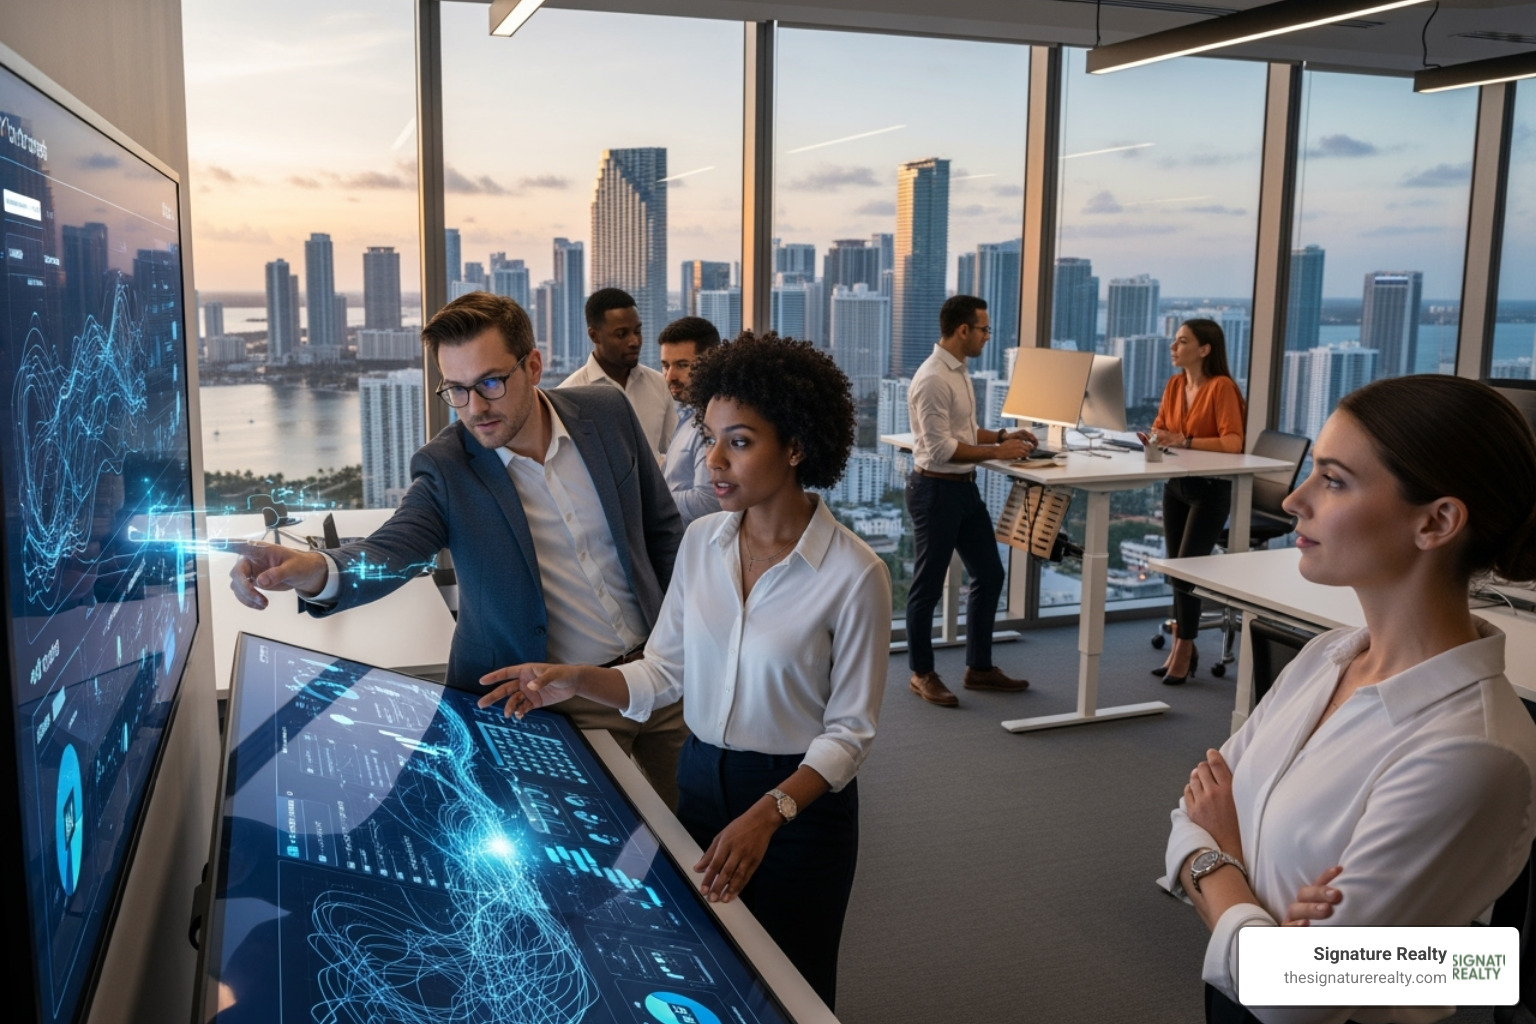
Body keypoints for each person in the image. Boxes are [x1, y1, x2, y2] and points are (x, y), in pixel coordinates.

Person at [479, 332, 890, 1009]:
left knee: (791, 992)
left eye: (740, 441)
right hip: (699, 783)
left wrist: (770, 814)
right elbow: (663, 672)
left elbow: (849, 736)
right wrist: (575, 678)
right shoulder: (702, 542)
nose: (714, 461)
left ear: (795, 446)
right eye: (709, 437)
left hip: (795, 807)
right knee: (702, 975)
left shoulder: (854, 574)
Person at [1165, 375, 1536, 1024]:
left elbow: (1293, 999)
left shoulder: (1471, 751)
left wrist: (1221, 859)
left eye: (1334, 480)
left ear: (1437, 521)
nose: (1295, 501)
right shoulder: (1327, 657)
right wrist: (1263, 912)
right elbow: (1190, 809)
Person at [228, 292, 690, 808]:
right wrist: (314, 569)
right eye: (457, 390)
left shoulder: (605, 413)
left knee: (701, 835)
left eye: (490, 383)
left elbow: (664, 533)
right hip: (550, 702)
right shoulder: (447, 467)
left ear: (533, 366)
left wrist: (685, 645)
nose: (476, 408)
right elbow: (391, 550)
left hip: (662, 674)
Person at [905, 294, 1035, 708]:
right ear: (963, 330)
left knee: (990, 574)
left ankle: (979, 668)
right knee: (927, 588)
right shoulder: (932, 379)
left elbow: (964, 429)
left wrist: (1000, 436)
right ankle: (921, 673)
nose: (987, 337)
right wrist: (1000, 453)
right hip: (936, 491)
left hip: (963, 489)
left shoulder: (958, 371)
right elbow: (942, 449)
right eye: (983, 329)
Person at [1148, 318, 1247, 685]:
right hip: (1177, 485)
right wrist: (1165, 436)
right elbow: (1160, 429)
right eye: (1175, 341)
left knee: (1187, 572)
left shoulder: (1222, 387)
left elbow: (1233, 442)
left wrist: (1183, 441)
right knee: (1177, 572)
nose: (1174, 347)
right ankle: (1181, 645)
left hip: (1210, 489)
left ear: (1204, 350)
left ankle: (1185, 647)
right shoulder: (1175, 385)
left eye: (1182, 341)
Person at [558, 286, 676, 460]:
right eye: (622, 334)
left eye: (637, 331)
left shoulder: (659, 384)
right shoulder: (567, 396)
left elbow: (675, 452)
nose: (634, 341)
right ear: (594, 336)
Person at [657, 316, 722, 525]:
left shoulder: (715, 422)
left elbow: (708, 502)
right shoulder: (689, 415)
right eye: (665, 365)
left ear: (711, 362)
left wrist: (652, 498)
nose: (669, 376)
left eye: (682, 365)